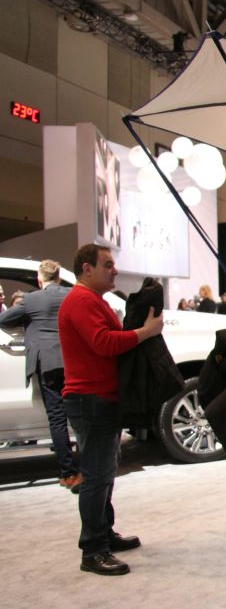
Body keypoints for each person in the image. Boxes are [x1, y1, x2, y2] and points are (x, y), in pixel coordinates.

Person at [58, 244, 164, 575]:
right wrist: (145, 332)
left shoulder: (92, 301)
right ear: (86, 269)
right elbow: (103, 343)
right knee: (96, 475)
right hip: (91, 398)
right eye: (108, 265)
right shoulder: (81, 301)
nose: (114, 270)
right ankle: (93, 550)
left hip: (98, 397)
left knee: (103, 472)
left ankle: (103, 534)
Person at [0, 260, 80, 491]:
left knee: (56, 418)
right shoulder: (71, 295)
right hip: (73, 361)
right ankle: (88, 467)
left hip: (47, 363)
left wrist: (29, 321)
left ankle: (69, 473)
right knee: (79, 416)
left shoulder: (31, 300)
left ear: (39, 279)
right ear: (58, 276)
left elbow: (4, 320)